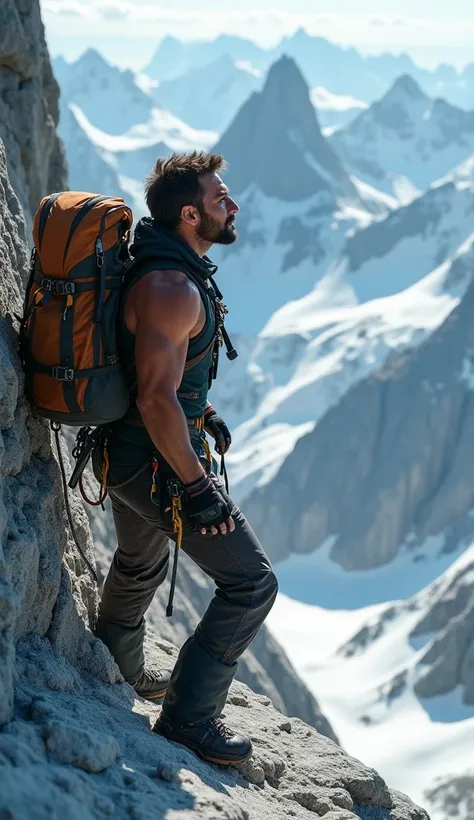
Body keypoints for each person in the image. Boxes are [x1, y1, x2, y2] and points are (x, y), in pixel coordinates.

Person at [94, 151, 278, 766]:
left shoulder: (171, 268)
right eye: (222, 198)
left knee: (140, 562)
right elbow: (153, 396)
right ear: (191, 214)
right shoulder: (172, 287)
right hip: (155, 463)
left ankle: (114, 667)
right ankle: (189, 722)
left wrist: (200, 412)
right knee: (251, 583)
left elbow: (167, 384)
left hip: (129, 457)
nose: (235, 205)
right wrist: (198, 488)